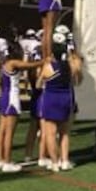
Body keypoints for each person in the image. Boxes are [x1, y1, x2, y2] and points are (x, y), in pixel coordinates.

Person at [0, 42, 44, 172]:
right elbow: (29, 65)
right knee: (9, 133)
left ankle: (0, 159)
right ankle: (7, 161)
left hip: (5, 97)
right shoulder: (13, 63)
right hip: (11, 99)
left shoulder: (5, 63)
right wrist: (44, 61)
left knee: (2, 131)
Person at [38, 33, 82, 172]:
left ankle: (55, 162)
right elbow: (77, 81)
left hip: (51, 99)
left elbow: (39, 84)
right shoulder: (71, 66)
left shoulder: (48, 66)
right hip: (66, 99)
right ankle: (65, 160)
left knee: (51, 133)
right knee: (65, 133)